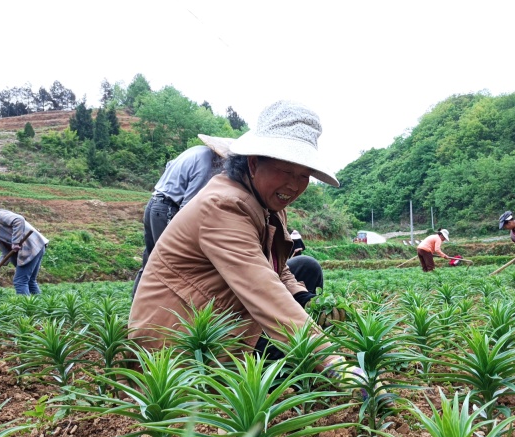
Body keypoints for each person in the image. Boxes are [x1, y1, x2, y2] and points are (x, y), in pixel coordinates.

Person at [130, 100, 355, 379]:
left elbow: (276, 268)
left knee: (305, 268)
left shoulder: (267, 203)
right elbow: (262, 288)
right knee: (300, 368)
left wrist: (305, 299)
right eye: (286, 171)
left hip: (221, 306)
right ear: (253, 162)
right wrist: (334, 363)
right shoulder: (223, 205)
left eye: (304, 175)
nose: (294, 185)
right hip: (184, 337)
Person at [132, 134, 235, 298]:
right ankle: (162, 308)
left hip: (154, 203)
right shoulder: (205, 162)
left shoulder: (194, 151)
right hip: (167, 208)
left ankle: (136, 306)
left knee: (151, 260)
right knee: (169, 263)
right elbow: (188, 205)